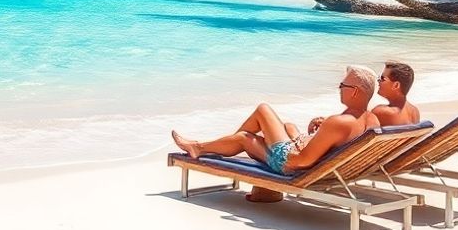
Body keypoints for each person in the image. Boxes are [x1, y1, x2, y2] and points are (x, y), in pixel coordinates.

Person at [171, 66, 381, 178]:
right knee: (270, 131)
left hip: (290, 164)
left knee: (263, 110)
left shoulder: (338, 122)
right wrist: (311, 136)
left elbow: (300, 161)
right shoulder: (370, 119)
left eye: (342, 85)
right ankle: (210, 146)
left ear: (354, 92)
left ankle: (205, 147)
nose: (339, 87)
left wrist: (301, 143)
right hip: (321, 166)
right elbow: (342, 141)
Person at [372, 61, 420, 127]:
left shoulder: (381, 112)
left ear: (396, 85)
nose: (378, 80)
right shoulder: (414, 112)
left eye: (383, 79)